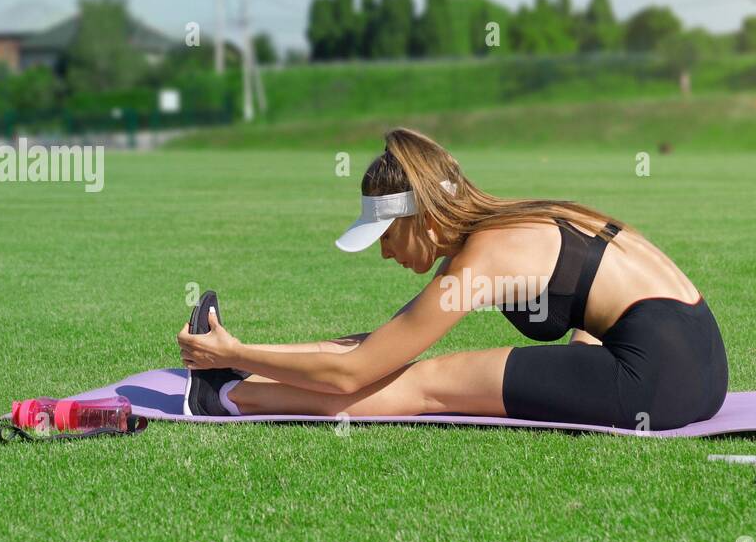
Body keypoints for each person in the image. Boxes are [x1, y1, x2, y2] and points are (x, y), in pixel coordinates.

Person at [176, 128, 728, 431]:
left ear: (427, 220)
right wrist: (242, 347)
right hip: (703, 363)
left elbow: (355, 372)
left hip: (655, 380)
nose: (385, 253)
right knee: (410, 364)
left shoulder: (486, 256)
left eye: (388, 235)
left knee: (428, 384)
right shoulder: (515, 220)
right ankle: (228, 376)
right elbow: (373, 346)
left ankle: (226, 398)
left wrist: (241, 358)